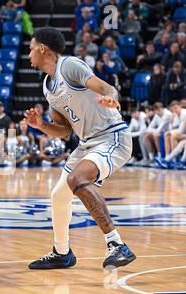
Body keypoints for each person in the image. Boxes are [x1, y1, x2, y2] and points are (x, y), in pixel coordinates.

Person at [25, 28, 136, 270]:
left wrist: (111, 98)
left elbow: (106, 88)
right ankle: (62, 252)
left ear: (43, 48)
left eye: (31, 47)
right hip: (87, 143)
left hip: (112, 136)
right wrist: (41, 125)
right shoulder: (47, 85)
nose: (28, 53)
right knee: (59, 195)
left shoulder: (70, 66)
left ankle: (117, 245)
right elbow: (64, 130)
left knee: (77, 179)